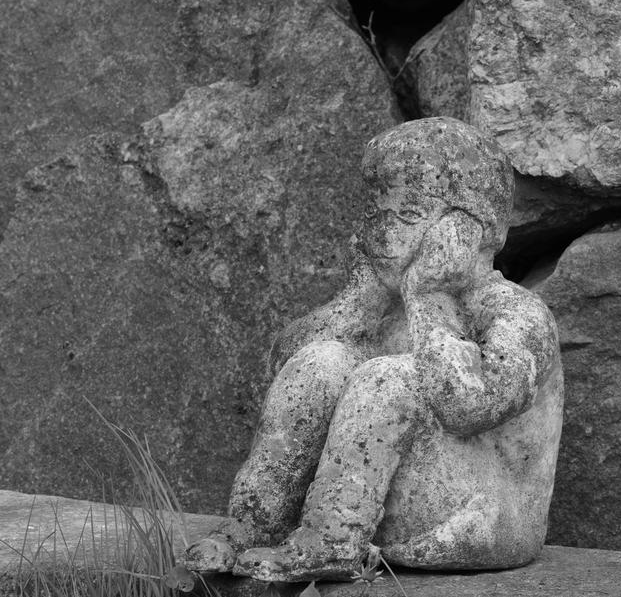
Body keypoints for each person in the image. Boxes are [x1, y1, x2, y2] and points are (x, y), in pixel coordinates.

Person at [183, 117, 563, 582]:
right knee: (318, 363)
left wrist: (429, 294)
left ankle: (333, 539)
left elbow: (467, 406)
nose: (377, 235)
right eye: (373, 213)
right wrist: (356, 304)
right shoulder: (382, 303)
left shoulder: (518, 314)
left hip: (478, 518)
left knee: (388, 379)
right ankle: (253, 524)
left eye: (406, 216)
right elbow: (282, 365)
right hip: (401, 508)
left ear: (466, 232)